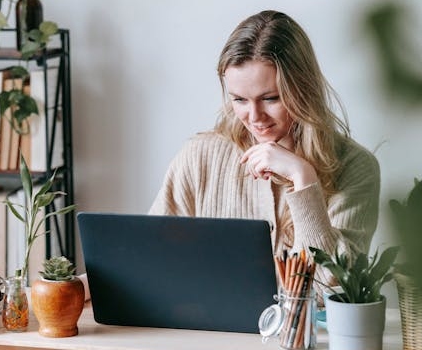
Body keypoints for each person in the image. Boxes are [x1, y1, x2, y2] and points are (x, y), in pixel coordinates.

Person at [148, 10, 380, 293]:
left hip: (305, 325)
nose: (254, 116)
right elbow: (151, 255)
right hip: (209, 321)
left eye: (270, 98)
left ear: (302, 90)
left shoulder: (355, 166)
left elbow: (331, 290)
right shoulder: (199, 157)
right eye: (239, 100)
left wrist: (303, 178)